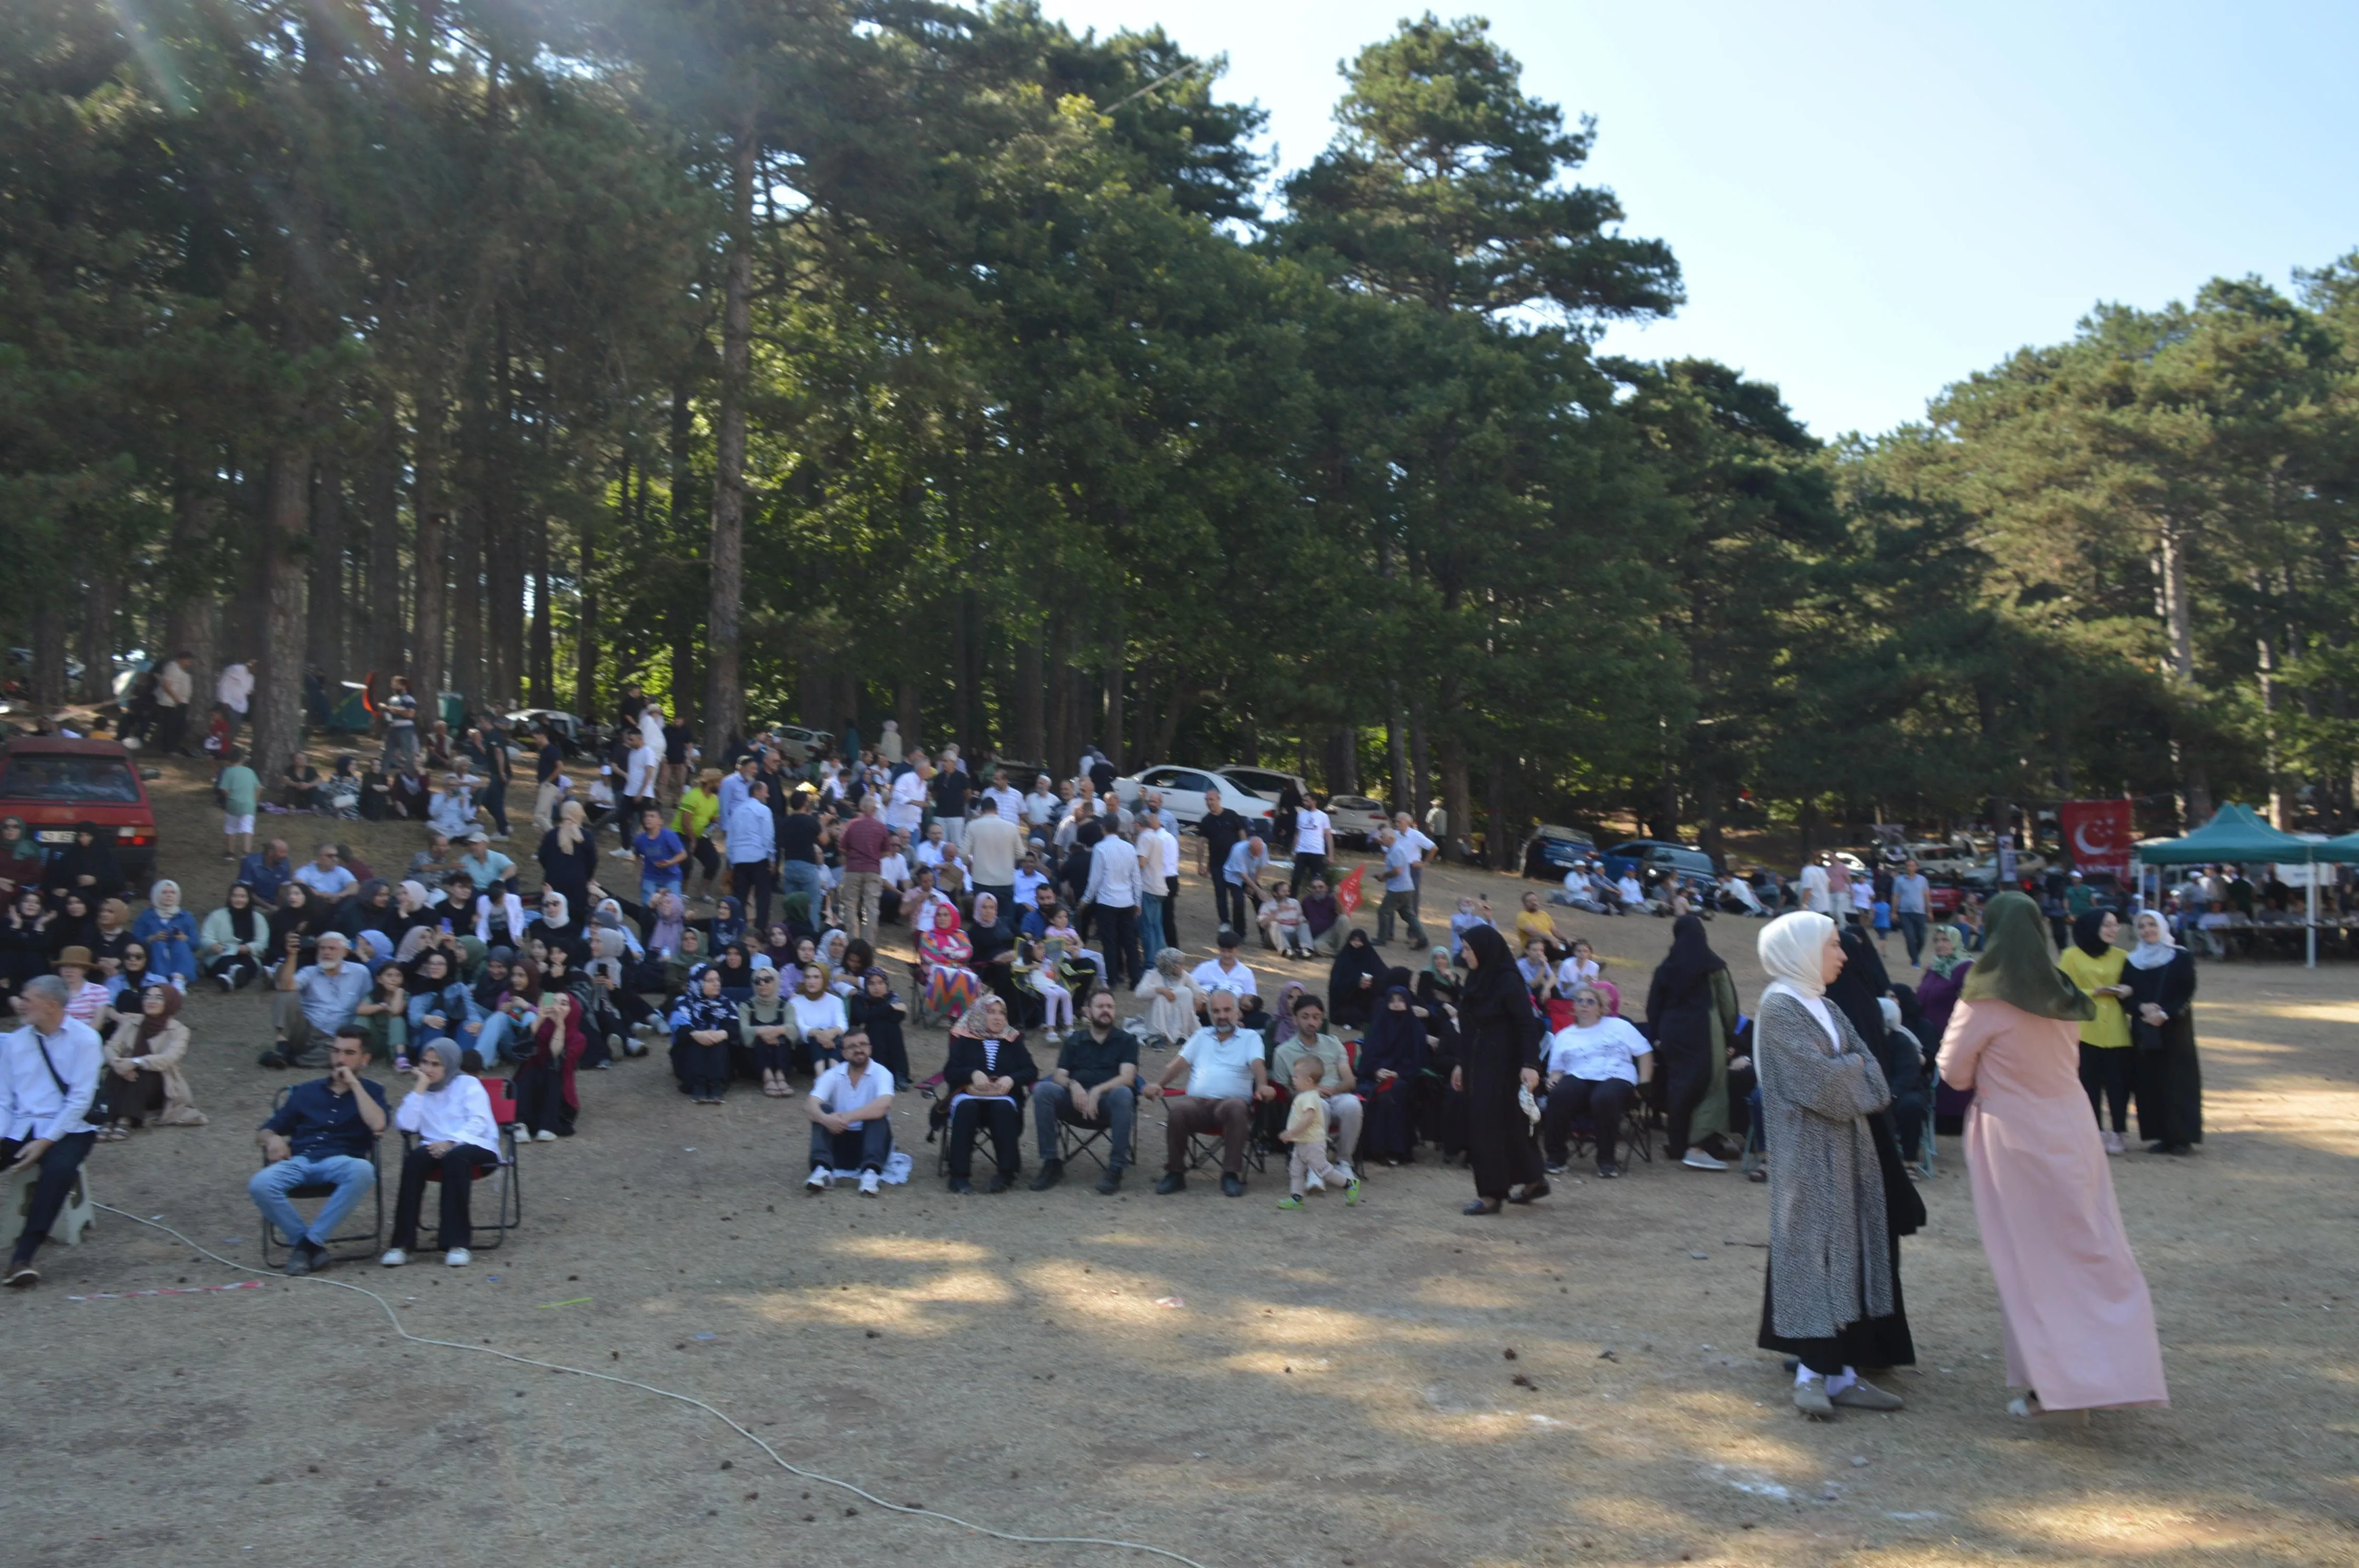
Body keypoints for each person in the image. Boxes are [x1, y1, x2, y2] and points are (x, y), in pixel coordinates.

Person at [1937, 891, 2168, 1416]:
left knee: (2032, 1262)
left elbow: (1953, 1072)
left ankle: (2060, 1382)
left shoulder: (1986, 998)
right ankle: (2101, 1373)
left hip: (2014, 1137)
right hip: (2072, 1126)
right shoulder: (2061, 988)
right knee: (2090, 1248)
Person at [1751, 911, 1911, 1418]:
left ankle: (1842, 1373)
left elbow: (1876, 1077)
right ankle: (1811, 1374)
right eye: (1834, 946)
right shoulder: (1779, 1009)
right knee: (1813, 1251)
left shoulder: (1824, 1006)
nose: (1843, 955)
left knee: (1848, 1251)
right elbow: (1822, 1086)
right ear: (1800, 951)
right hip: (1808, 1153)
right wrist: (1850, 1073)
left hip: (1849, 1148)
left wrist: (1847, 1075)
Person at [248, 1026, 388, 1278]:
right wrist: (273, 1140)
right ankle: (308, 1245)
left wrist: (355, 1085)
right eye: (335, 1052)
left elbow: (378, 1124)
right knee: (260, 1184)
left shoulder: (373, 1092)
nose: (340, 1059)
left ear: (365, 1059)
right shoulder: (306, 1092)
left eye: (349, 1053)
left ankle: (308, 1246)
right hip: (300, 1160)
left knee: (363, 1170)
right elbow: (266, 1129)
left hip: (342, 1161)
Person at [1, 976, 105, 1288]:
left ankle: (23, 1258)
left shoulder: (85, 1040)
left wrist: (44, 1143)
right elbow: (5, 1100)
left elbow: (79, 1100)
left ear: (51, 1005)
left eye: (27, 999)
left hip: (71, 1127)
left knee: (58, 1171)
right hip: (21, 1125)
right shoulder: (15, 1042)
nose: (20, 1003)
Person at [379, 1041, 502, 1268]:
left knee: (457, 1157)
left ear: (451, 1064)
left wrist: (451, 1141)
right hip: (436, 1147)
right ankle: (402, 1244)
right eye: (425, 1062)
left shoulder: (468, 1084)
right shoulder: (423, 1091)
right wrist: (420, 1088)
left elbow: (480, 1122)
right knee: (415, 1159)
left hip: (476, 1145)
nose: (428, 1068)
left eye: (436, 1064)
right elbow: (405, 1126)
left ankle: (457, 1244)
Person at [1452, 926, 1547, 1215]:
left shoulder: (1508, 982)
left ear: (1484, 950)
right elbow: (1467, 1027)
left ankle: (1492, 1195)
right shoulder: (1476, 979)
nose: (1465, 955)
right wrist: (1460, 1062)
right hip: (1477, 1063)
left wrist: (1531, 1065)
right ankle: (1533, 1181)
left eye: (1469, 949)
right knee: (1493, 1128)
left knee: (1497, 1129)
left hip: (1506, 1066)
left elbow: (1525, 1025)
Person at [1147, 988, 1273, 1196]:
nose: (1222, 1016)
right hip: (1199, 1104)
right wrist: (1158, 1084)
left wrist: (1262, 1086)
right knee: (1179, 1111)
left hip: (1231, 1105)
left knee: (1235, 1108)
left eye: (1227, 1010)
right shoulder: (1201, 1035)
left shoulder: (1250, 1037)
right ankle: (1175, 1174)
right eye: (1216, 1011)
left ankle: (1231, 1174)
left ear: (1238, 1013)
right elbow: (1178, 1065)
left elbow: (1258, 1064)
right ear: (1210, 1014)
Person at [1645, 914, 1738, 1170]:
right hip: (1704, 1031)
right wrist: (1729, 1035)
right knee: (1712, 1085)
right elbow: (1728, 1006)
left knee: (1680, 1085)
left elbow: (1653, 1006)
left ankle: (1678, 1143)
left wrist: (1656, 1036)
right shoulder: (1714, 966)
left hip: (1672, 1032)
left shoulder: (1666, 968)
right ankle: (1702, 1145)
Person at [1029, 988, 1140, 1193]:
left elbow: (1128, 1078)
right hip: (1075, 1104)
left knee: (1124, 1093)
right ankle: (1051, 1164)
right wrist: (1075, 1086)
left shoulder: (1127, 1041)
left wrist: (1097, 1091)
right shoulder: (1075, 1040)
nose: (1106, 1011)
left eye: (1110, 1007)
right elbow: (1059, 1075)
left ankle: (1116, 1168)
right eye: (1100, 1007)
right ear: (1088, 1012)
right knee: (1044, 1090)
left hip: (1109, 1106)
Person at [1538, 984, 1652, 1176]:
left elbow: (1645, 1053)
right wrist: (1554, 1078)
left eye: (1590, 1001)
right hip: (1579, 1076)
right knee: (1559, 1096)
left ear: (1601, 1008)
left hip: (1616, 1077)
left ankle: (1606, 1161)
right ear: (1573, 1007)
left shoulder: (1620, 1026)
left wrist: (1645, 1084)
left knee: (1604, 1098)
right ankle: (1556, 1158)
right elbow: (1556, 1069)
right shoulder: (1565, 1036)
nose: (1584, 1005)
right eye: (1579, 1001)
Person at [2121, 912, 2201, 1155]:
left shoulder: (2180, 956)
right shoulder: (2133, 960)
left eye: (2152, 925)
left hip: (2175, 1026)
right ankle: (2161, 1135)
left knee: (2177, 1079)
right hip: (2145, 1027)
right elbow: (2127, 997)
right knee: (2149, 1081)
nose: (2147, 930)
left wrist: (2165, 1014)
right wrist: (2141, 1008)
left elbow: (2187, 990)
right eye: (2142, 926)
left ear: (2162, 926)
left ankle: (2182, 1137)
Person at [2057, 909, 2134, 1154]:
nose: (2113, 930)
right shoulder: (2071, 956)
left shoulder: (2124, 957)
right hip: (2085, 1029)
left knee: (2118, 1084)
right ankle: (2093, 1131)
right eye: (2107, 925)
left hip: (2116, 1029)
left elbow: (2136, 987)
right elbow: (2063, 990)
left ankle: (2119, 1132)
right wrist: (2094, 993)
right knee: (2087, 1083)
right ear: (2092, 927)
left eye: (2115, 925)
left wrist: (2127, 990)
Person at [942, 996, 1036, 1193]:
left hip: (1003, 1097)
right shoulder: (965, 1038)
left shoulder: (1012, 1039)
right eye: (991, 1012)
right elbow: (950, 1072)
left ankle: (1006, 1173)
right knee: (967, 1108)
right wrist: (972, 1074)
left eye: (1002, 1013)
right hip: (969, 1096)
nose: (998, 1018)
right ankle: (958, 1176)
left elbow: (1030, 1071)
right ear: (979, 1014)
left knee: (1002, 1108)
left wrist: (1012, 1079)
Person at [1270, 993, 1361, 1183]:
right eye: (1305, 1017)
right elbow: (1285, 1091)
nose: (1311, 1022)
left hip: (1336, 1094)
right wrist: (1310, 1093)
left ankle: (1344, 1161)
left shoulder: (1333, 1044)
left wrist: (1334, 1090)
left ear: (1321, 1020)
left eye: (1316, 1017)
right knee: (1318, 1105)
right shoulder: (1283, 1052)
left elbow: (1350, 1081)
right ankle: (1315, 1167)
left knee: (1353, 1104)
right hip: (1306, 1102)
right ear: (1295, 1019)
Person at [98, 983, 205, 1139]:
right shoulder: (132, 1022)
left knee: (143, 1072)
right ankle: (109, 1119)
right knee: (118, 1069)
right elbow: (111, 1046)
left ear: (169, 1003)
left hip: (160, 1087)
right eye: (147, 997)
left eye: (158, 998)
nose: (151, 1001)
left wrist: (135, 1062)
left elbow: (168, 1059)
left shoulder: (179, 1031)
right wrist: (116, 1062)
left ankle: (125, 1119)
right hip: (125, 1078)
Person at [262, 930, 372, 1069]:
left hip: (336, 1036)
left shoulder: (361, 973)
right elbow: (286, 986)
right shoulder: (310, 972)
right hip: (306, 1030)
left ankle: (287, 1059)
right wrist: (292, 955)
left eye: (332, 949)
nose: (327, 952)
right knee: (287, 995)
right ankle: (282, 1048)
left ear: (345, 952)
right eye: (323, 948)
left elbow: (369, 998)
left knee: (340, 1057)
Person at [805, 1029, 896, 1195]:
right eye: (852, 1046)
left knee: (877, 1114)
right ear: (844, 1053)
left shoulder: (882, 1073)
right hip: (840, 1142)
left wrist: (846, 1117)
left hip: (871, 1142)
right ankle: (823, 1171)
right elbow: (811, 1105)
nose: (859, 1049)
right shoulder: (832, 1074)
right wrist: (826, 1120)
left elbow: (884, 1104)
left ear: (870, 1049)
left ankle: (871, 1174)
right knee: (822, 1110)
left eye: (863, 1045)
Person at [1274, 1054, 1361, 1210]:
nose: (1293, 1079)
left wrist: (1291, 1133)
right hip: (1302, 1142)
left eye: (1296, 1077)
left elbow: (1308, 1119)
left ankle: (1350, 1184)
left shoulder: (1309, 1097)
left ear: (1308, 1081)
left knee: (1324, 1170)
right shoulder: (1305, 1095)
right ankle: (1296, 1198)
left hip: (1312, 1143)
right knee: (1296, 1170)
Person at [512, 990, 585, 1141]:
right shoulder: (538, 1027)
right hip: (529, 1092)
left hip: (558, 1099)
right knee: (530, 1069)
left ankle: (548, 1126)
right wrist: (539, 1019)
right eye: (553, 1002)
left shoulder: (578, 1038)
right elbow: (519, 1051)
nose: (556, 1007)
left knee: (553, 1070)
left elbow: (557, 1058)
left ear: (572, 1011)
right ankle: (520, 1124)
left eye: (563, 1004)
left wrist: (560, 1026)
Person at [723, 778, 777, 930]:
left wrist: (732, 861)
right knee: (763, 898)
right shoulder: (764, 810)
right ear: (757, 792)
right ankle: (760, 931)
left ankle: (736, 928)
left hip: (740, 859)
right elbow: (768, 836)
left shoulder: (737, 811)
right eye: (765, 792)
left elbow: (730, 838)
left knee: (739, 897)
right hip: (758, 857)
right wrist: (771, 858)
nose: (768, 796)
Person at [200, 881, 271, 990]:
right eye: (235, 896)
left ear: (249, 899)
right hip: (222, 955)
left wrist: (249, 948)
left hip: (248, 955)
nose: (239, 900)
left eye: (243, 897)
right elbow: (205, 937)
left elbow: (263, 943)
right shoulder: (217, 915)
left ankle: (231, 981)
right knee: (226, 963)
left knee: (249, 966)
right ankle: (234, 974)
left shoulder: (258, 918)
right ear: (230, 898)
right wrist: (212, 945)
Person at [132, 879, 200, 988]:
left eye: (173, 893)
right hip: (155, 959)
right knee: (158, 944)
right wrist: (152, 938)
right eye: (165, 892)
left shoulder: (186, 917)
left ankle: (179, 981)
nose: (169, 896)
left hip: (180, 957)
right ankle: (161, 979)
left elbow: (196, 944)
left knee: (180, 944)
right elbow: (135, 940)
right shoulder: (146, 916)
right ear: (156, 895)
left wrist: (185, 938)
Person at [1198, 790, 1249, 933]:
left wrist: (1244, 852)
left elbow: (1242, 832)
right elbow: (1201, 842)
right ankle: (1225, 922)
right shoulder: (1206, 820)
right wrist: (1200, 864)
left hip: (1235, 864)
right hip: (1217, 864)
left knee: (1238, 898)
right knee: (1220, 895)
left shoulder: (1231, 815)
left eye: (1212, 799)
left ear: (1219, 799)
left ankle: (1240, 930)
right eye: (1207, 800)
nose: (1209, 803)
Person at [1133, 947, 1203, 1047]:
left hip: (1177, 1018)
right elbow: (1139, 993)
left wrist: (1199, 996)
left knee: (1186, 992)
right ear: (1170, 966)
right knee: (1161, 998)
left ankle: (1181, 1033)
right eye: (1179, 964)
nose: (1182, 966)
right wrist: (1160, 990)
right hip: (1158, 1016)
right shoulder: (1153, 975)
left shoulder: (1183, 975)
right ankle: (1157, 1035)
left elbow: (1197, 989)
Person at [1374, 828, 1427, 949]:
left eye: (1383, 837)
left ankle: (1382, 939)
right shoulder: (1394, 850)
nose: (1381, 839)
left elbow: (1398, 870)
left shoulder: (1396, 851)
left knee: (1383, 911)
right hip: (1406, 888)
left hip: (1398, 889)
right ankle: (1422, 939)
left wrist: (1384, 876)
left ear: (1391, 839)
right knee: (1408, 915)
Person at [216, 746, 260, 860]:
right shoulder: (250, 771)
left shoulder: (228, 772)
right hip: (249, 805)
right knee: (247, 828)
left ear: (229, 759)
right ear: (243, 759)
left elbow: (224, 789)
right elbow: (258, 788)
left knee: (230, 827)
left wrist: (230, 797)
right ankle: (247, 853)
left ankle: (230, 853)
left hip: (233, 804)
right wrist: (254, 801)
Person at [1891, 860, 1931, 967]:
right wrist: (1894, 912)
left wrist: (1929, 911)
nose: (1910, 868)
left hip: (1920, 913)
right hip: (1905, 913)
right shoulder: (1899, 880)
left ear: (1916, 868)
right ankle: (1915, 960)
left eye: (1912, 866)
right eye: (1908, 866)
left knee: (1921, 937)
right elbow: (1896, 896)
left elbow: (1927, 896)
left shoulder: (1923, 880)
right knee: (1910, 937)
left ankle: (1916, 954)